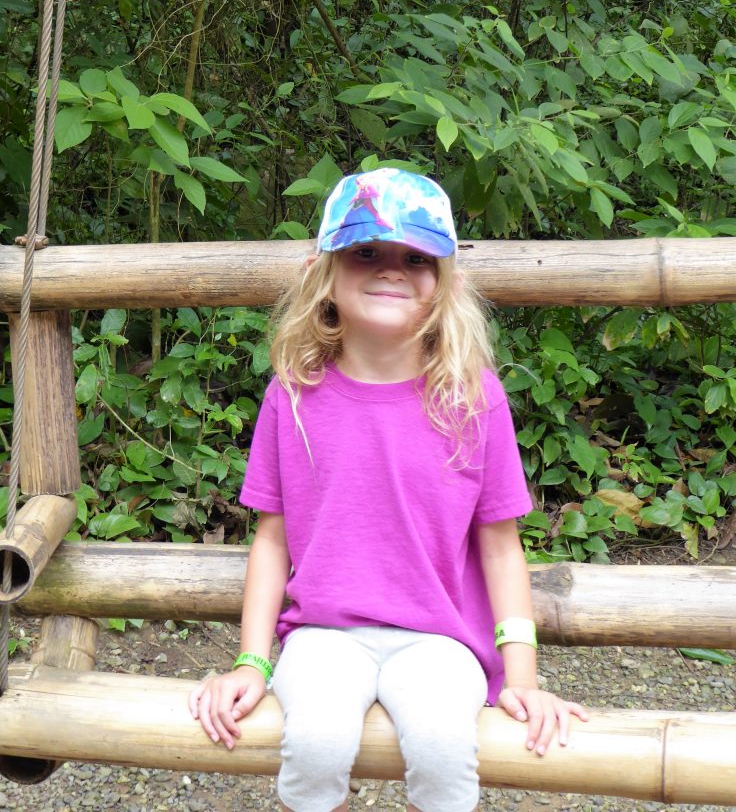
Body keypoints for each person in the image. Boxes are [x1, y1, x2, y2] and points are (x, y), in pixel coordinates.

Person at [189, 167, 588, 812]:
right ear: (327, 273)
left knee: (441, 746)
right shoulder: (293, 395)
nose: (391, 269)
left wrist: (524, 679)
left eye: (416, 257)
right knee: (314, 744)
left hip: (439, 639)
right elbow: (271, 539)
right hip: (322, 633)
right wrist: (251, 663)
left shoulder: (471, 397)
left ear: (443, 282)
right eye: (366, 251)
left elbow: (501, 548)